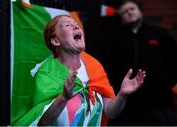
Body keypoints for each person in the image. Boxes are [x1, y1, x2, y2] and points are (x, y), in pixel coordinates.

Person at [14, 14, 146, 126]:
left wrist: (122, 95)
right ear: (55, 41)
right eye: (67, 25)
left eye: (75, 24)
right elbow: (41, 121)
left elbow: (111, 112)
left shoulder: (94, 65)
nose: (76, 26)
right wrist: (64, 97)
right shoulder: (46, 72)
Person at [107, 0, 177, 125]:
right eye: (124, 12)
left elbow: (174, 58)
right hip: (126, 107)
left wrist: (168, 82)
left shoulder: (158, 33)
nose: (129, 12)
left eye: (132, 9)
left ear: (140, 11)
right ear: (120, 17)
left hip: (160, 103)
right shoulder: (113, 38)